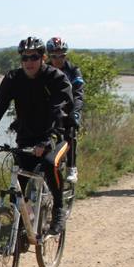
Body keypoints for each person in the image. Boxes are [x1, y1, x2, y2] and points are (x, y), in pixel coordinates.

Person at [0, 37, 72, 236]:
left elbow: (58, 111)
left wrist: (48, 139)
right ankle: (26, 225)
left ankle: (58, 208)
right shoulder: (13, 79)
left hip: (56, 134)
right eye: (25, 58)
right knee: (18, 187)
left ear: (43, 57)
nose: (29, 62)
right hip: (26, 137)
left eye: (34, 57)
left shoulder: (56, 78)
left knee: (48, 163)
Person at [46, 36, 84, 185]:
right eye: (54, 56)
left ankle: (71, 167)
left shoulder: (73, 70)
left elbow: (79, 94)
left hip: (68, 110)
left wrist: (75, 112)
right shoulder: (45, 70)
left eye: (61, 55)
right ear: (49, 56)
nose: (58, 59)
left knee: (70, 134)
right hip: (50, 111)